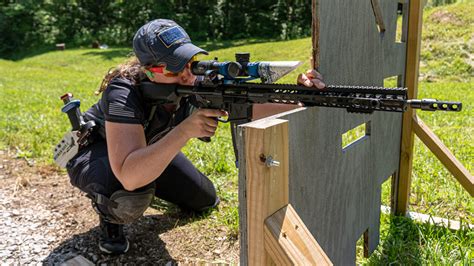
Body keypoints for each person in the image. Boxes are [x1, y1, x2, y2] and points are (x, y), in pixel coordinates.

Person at [65, 19, 325, 255]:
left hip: (150, 148)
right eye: (176, 69)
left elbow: (251, 106)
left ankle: (151, 177)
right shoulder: (123, 90)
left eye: (189, 62)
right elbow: (129, 175)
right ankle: (110, 218)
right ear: (151, 71)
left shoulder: (192, 80)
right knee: (129, 194)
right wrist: (185, 130)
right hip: (97, 152)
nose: (189, 75)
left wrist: (300, 97)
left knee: (204, 200)